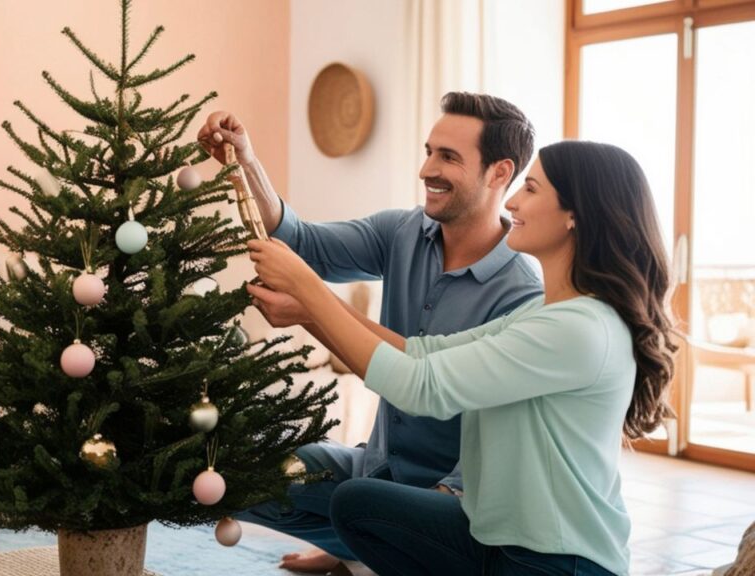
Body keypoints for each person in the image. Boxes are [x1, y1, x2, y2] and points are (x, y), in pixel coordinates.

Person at [247, 140, 677, 575]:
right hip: (492, 537)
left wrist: (309, 290)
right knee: (358, 504)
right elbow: (420, 353)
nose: (512, 202)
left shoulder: (579, 329)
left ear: (574, 216)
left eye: (530, 188)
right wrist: (309, 307)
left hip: (557, 561)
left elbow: (421, 387)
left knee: (357, 503)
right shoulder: (544, 312)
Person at [198, 93, 543, 573]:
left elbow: (498, 433)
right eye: (428, 151)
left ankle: (377, 544)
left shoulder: (522, 295)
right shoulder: (403, 232)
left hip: (449, 501)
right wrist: (247, 163)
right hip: (372, 470)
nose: (426, 170)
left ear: (499, 173)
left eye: (448, 157)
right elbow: (301, 241)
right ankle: (360, 548)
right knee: (236, 466)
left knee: (371, 508)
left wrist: (310, 307)